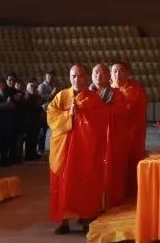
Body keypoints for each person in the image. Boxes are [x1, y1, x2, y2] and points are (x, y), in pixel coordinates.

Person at [46, 64, 110, 234]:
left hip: (83, 151)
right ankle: (64, 221)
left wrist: (82, 113)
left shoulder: (93, 99)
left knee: (84, 183)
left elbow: (100, 123)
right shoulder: (61, 96)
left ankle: (86, 217)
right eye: (73, 76)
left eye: (80, 76)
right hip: (64, 151)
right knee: (63, 184)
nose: (76, 79)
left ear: (86, 78)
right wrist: (69, 115)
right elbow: (51, 116)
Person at [91, 63, 132, 208]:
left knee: (110, 172)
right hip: (89, 141)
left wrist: (98, 110)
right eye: (95, 73)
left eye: (102, 73)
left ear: (108, 77)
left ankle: (108, 202)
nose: (98, 76)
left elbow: (120, 115)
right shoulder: (85, 94)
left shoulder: (118, 95)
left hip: (110, 140)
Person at [111, 60, 148, 197]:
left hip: (131, 134)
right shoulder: (106, 89)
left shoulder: (135, 89)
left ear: (128, 73)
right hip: (112, 134)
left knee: (131, 162)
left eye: (121, 71)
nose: (118, 74)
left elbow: (129, 110)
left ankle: (132, 192)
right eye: (114, 71)